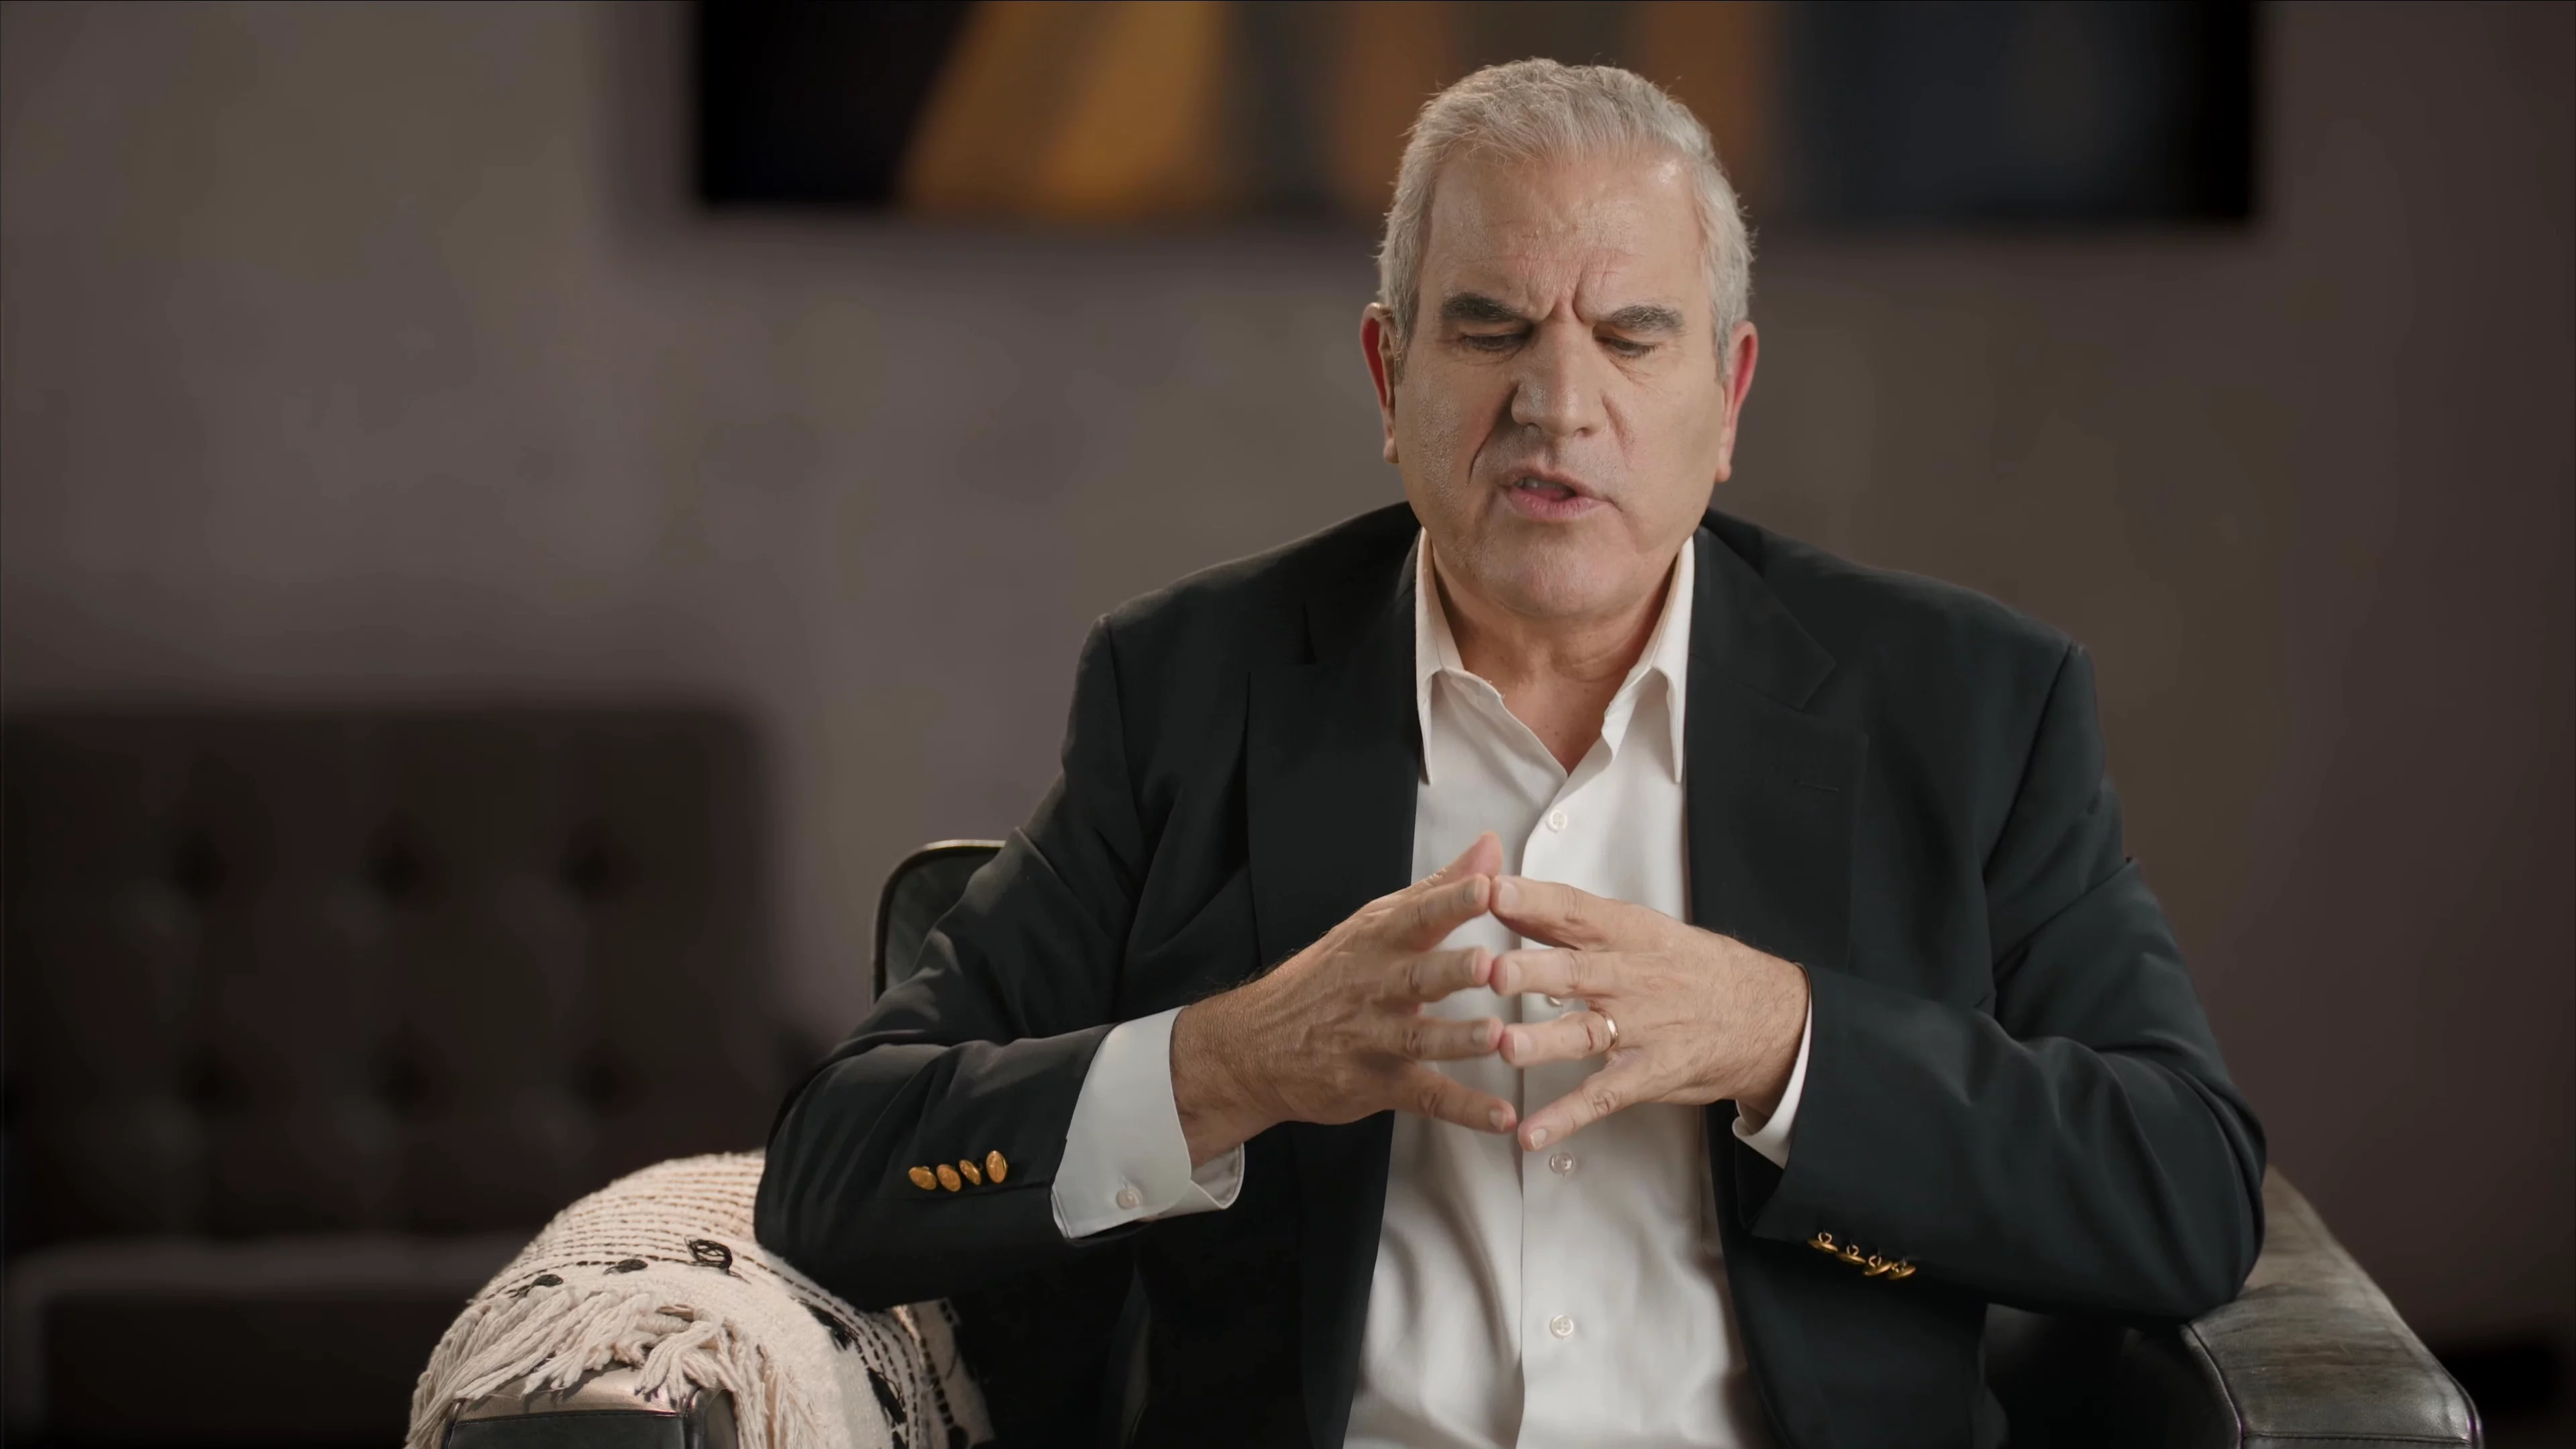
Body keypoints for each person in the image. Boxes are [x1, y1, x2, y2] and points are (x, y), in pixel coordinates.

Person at [755, 59, 2265, 1449]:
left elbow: (2186, 1194)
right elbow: (841, 1170)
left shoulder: (1969, 706)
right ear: (1388, 377)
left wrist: (1779, 1037)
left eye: (1631, 336)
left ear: (1728, 395)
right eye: (1490, 329)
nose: (1557, 403)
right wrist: (1237, 1061)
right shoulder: (1193, 692)